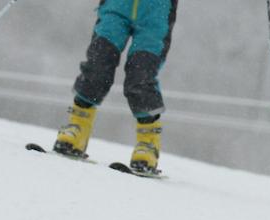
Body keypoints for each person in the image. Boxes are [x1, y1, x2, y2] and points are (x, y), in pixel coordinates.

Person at [53, 0, 178, 173]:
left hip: (155, 14)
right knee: (98, 64)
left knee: (140, 77)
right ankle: (77, 128)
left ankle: (148, 143)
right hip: (117, 7)